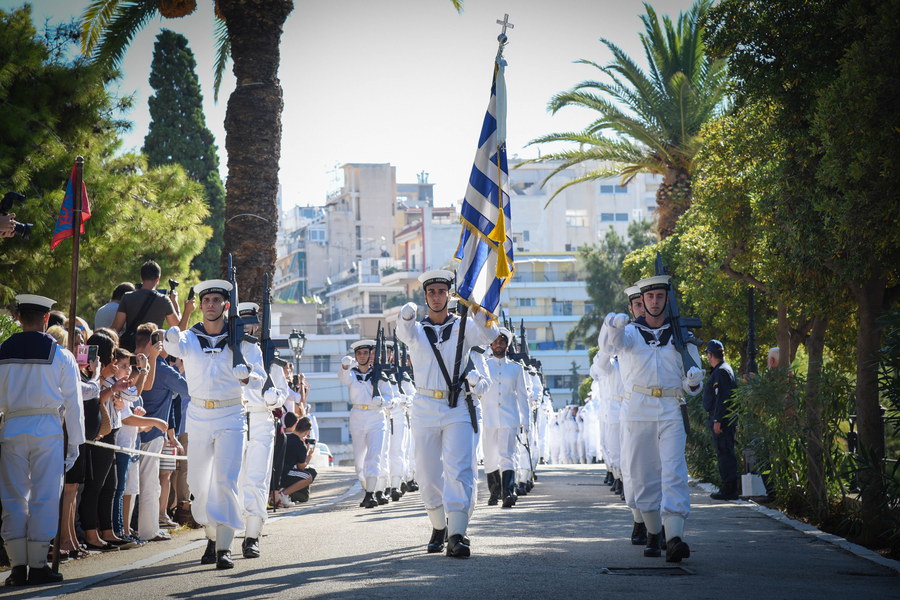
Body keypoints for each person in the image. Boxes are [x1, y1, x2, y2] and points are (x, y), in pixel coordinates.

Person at [163, 279, 267, 570]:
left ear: (226, 305)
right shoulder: (190, 338)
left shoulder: (242, 343)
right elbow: (173, 345)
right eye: (206, 300)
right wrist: (171, 333)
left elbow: (261, 380)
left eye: (216, 300)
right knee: (198, 483)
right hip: (198, 416)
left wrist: (247, 377)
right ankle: (211, 533)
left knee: (225, 479)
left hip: (231, 414)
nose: (210, 304)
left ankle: (224, 545)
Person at [396, 270, 498, 559]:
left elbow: (490, 335)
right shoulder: (417, 330)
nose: (437, 296)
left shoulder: (462, 326)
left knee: (460, 469)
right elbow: (402, 332)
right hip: (425, 406)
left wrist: (477, 309)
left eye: (442, 291)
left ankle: (457, 535)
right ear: (425, 296)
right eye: (432, 292)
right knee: (427, 475)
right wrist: (405, 316)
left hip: (457, 407)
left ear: (450, 295)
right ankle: (439, 526)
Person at [603, 274, 705, 563]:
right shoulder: (632, 333)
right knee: (643, 474)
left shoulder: (682, 336)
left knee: (674, 471)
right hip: (638, 410)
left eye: (660, 296)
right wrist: (614, 324)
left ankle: (674, 538)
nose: (655, 302)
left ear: (667, 299)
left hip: (672, 407)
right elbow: (615, 344)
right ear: (643, 301)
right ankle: (652, 533)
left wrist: (694, 381)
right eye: (650, 297)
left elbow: (691, 385)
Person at [0, 295, 85, 586]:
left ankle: (17, 567)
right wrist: (75, 442)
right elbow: (74, 403)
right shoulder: (61, 355)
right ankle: (38, 565)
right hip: (47, 429)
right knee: (44, 495)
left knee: (13, 498)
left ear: (20, 318)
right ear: (46, 319)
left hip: (11, 427)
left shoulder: (3, 351)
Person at [235, 302, 287, 559]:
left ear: (257, 324)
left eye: (250, 322)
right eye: (242, 322)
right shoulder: (227, 349)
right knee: (231, 479)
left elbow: (283, 393)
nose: (247, 326)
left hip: (259, 418)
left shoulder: (267, 352)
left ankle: (252, 535)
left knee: (256, 480)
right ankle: (218, 538)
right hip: (233, 417)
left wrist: (272, 398)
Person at [338, 339, 394, 509]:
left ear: (371, 355)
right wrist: (345, 366)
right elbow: (343, 378)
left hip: (376, 416)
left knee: (374, 456)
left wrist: (382, 401)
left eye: (365, 353)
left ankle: (371, 494)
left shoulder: (380, 375)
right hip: (357, 416)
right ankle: (368, 486)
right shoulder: (352, 374)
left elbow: (390, 398)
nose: (362, 356)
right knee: (359, 461)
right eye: (359, 353)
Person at [482, 328, 529, 508]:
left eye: (502, 342)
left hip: (509, 418)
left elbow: (523, 397)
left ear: (507, 345)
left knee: (507, 455)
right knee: (490, 457)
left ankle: (508, 492)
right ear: (491, 345)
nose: (498, 345)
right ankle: (494, 492)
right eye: (495, 342)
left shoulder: (516, 369)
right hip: (489, 418)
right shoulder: (484, 366)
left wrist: (526, 423)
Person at [111, 260, 183, 350]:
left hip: (131, 349)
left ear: (141, 278)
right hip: (154, 349)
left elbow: (116, 328)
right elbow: (177, 328)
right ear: (158, 279)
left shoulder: (127, 297)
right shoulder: (164, 300)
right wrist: (175, 302)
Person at [703, 340, 739, 501]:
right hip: (721, 419)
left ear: (711, 355)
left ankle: (729, 490)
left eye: (708, 355)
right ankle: (728, 488)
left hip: (722, 421)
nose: (707, 358)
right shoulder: (722, 369)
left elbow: (722, 398)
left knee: (725, 454)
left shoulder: (722, 371)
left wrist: (718, 420)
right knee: (724, 453)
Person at [274, 414, 318, 505]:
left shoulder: (285, 437)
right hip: (285, 473)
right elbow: (301, 467)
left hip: (276, 472)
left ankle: (283, 492)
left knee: (309, 472)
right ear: (306, 432)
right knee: (308, 476)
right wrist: (309, 455)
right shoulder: (300, 444)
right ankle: (283, 494)